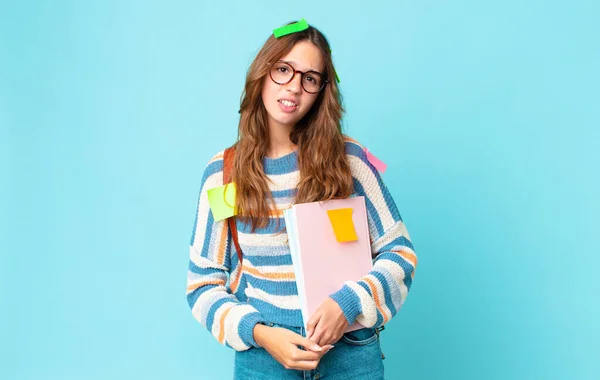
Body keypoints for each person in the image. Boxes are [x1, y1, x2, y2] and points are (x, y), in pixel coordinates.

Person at [186, 19, 417, 380]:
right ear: (262, 72)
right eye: (283, 70)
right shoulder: (224, 174)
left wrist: (348, 303)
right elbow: (203, 284)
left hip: (351, 354)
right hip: (264, 359)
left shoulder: (350, 161)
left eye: (309, 78)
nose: (293, 86)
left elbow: (400, 254)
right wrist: (260, 333)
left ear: (322, 90)